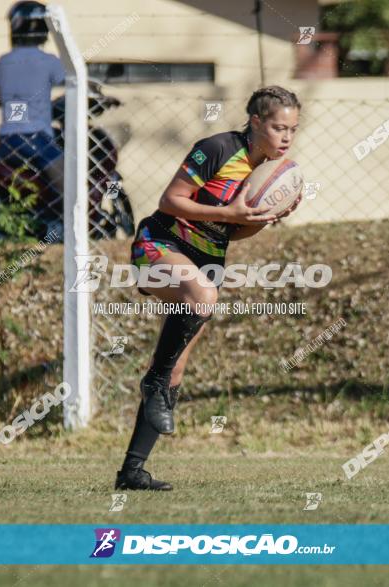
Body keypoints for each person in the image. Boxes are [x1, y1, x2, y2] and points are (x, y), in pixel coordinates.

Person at [115, 86, 303, 491]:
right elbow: (170, 201)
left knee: (177, 365)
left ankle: (132, 472)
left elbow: (233, 232)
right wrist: (227, 210)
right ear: (255, 122)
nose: (286, 137)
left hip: (206, 260)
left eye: (292, 129)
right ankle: (152, 383)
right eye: (278, 127)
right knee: (201, 297)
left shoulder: (272, 171)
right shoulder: (218, 148)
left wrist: (262, 217)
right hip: (159, 246)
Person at [0, 0, 65, 195]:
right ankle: (72, 220)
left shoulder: (4, 61)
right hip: (36, 137)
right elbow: (73, 83)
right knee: (69, 182)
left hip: (7, 138)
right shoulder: (48, 61)